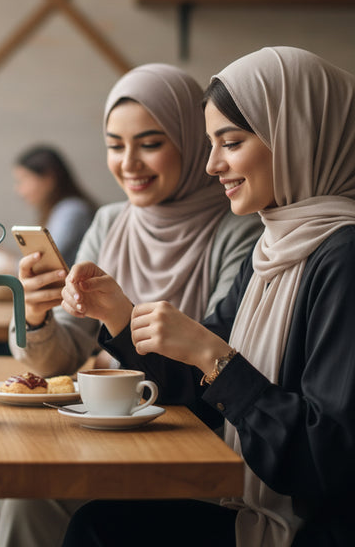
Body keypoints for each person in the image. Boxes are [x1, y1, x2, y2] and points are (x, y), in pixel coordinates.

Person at [60, 47, 355, 546]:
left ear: (296, 139)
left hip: (317, 529)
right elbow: (199, 393)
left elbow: (327, 460)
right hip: (259, 505)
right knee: (97, 523)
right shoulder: (273, 247)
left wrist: (212, 354)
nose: (213, 164)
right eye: (211, 144)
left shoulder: (342, 258)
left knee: (98, 528)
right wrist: (120, 315)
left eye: (231, 142)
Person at [0, 64, 262, 547]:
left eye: (151, 143)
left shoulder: (238, 228)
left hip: (191, 451)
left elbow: (221, 362)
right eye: (116, 147)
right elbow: (58, 358)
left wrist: (121, 316)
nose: (129, 164)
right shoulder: (110, 221)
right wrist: (34, 314)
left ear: (190, 137)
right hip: (104, 434)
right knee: (27, 496)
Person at [13, 145, 97, 267]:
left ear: (48, 178)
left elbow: (42, 261)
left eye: (24, 180)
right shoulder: (58, 211)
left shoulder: (71, 210)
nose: (19, 190)